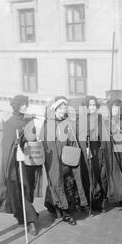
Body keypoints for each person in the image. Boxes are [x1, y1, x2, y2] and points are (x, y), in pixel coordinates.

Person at [0, 95, 42, 236]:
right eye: (22, 105)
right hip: (14, 164)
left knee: (24, 189)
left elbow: (33, 139)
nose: (25, 106)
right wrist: (16, 149)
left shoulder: (28, 120)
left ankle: (26, 218)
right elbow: (6, 146)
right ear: (16, 106)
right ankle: (29, 219)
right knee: (17, 190)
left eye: (25, 104)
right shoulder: (10, 123)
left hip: (27, 161)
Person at [40, 96, 88, 225]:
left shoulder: (67, 122)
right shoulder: (48, 125)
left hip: (68, 160)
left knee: (68, 184)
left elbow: (72, 140)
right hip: (56, 162)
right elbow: (46, 145)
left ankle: (57, 205)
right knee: (58, 183)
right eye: (59, 108)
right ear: (54, 109)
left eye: (64, 107)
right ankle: (65, 214)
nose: (62, 110)